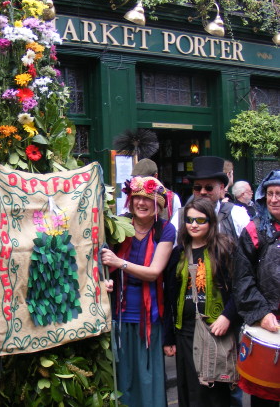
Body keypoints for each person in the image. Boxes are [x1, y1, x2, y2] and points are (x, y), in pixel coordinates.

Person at [101, 176, 176, 407]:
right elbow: (101, 263)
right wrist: (105, 279)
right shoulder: (118, 224)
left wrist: (120, 263)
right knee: (123, 375)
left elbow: (154, 272)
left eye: (147, 199)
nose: (141, 203)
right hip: (119, 313)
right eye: (137, 198)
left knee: (147, 377)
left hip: (150, 315)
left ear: (158, 205)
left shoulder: (165, 229)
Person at [163, 198, 240, 407]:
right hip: (185, 333)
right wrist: (169, 336)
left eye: (200, 220)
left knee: (214, 394)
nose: (194, 225)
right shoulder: (178, 253)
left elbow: (240, 288)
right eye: (189, 220)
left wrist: (227, 316)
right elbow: (170, 296)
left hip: (216, 331)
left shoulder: (225, 249)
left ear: (211, 222)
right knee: (190, 392)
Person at [232, 169, 280, 406]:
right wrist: (261, 313)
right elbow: (242, 278)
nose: (274, 199)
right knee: (265, 398)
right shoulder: (253, 230)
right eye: (270, 194)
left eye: (279, 194)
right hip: (267, 324)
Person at [171, 156, 250, 243]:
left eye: (209, 188)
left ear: (221, 188)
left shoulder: (236, 214)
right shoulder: (180, 216)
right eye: (198, 187)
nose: (203, 192)